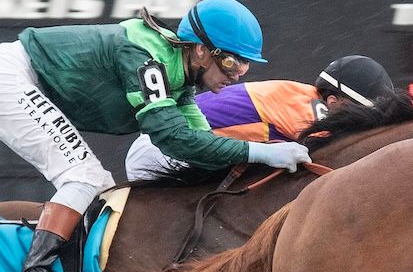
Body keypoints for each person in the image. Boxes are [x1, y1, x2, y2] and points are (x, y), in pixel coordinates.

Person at [0, 0, 311, 272]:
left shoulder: (180, 80)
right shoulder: (146, 60)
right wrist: (260, 151)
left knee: (98, 186)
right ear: (201, 50)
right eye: (232, 62)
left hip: (21, 79)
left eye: (245, 65)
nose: (238, 74)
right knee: (83, 178)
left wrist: (251, 162)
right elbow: (173, 138)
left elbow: (201, 143)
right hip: (12, 77)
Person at [124, 55, 395, 182]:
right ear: (334, 102)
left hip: (179, 144)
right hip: (161, 150)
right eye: (360, 115)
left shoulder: (301, 96)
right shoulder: (306, 109)